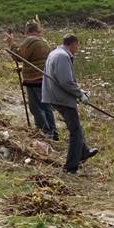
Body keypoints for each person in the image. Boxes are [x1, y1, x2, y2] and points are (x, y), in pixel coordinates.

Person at [42, 34, 98, 174]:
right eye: (77, 46)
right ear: (73, 44)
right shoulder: (62, 56)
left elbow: (63, 80)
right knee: (75, 131)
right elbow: (66, 81)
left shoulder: (55, 53)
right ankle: (71, 165)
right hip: (62, 98)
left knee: (76, 127)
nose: (77, 49)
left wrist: (80, 91)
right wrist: (79, 94)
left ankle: (84, 151)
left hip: (55, 96)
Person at [16, 21, 57, 140]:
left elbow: (19, 56)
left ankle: (44, 132)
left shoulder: (29, 41)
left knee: (36, 108)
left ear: (28, 31)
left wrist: (11, 44)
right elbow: (37, 61)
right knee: (46, 106)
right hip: (44, 77)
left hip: (34, 80)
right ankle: (53, 131)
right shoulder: (44, 42)